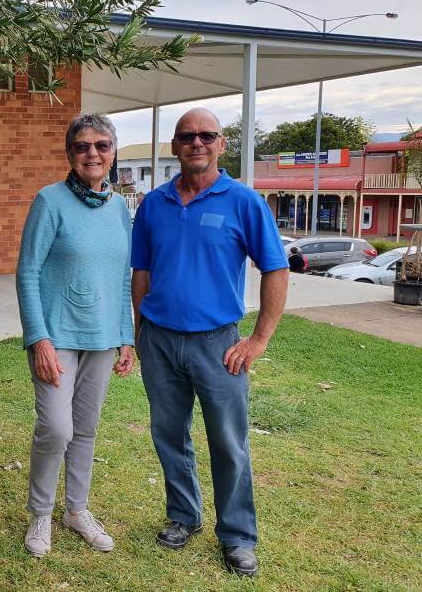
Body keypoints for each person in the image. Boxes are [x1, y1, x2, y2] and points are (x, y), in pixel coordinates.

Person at [131, 108, 288, 577]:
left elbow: (275, 269)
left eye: (207, 135)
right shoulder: (153, 205)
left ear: (221, 144)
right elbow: (141, 273)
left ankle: (238, 536)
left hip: (218, 345)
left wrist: (259, 339)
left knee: (228, 441)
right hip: (159, 341)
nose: (196, 142)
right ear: (175, 146)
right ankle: (183, 516)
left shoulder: (243, 202)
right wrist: (139, 331)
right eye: (187, 136)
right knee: (168, 434)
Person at [16, 113, 135, 558]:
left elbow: (122, 276)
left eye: (102, 145)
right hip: (57, 336)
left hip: (103, 338)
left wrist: (127, 337)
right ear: (70, 153)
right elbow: (27, 272)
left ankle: (76, 510)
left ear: (113, 153)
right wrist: (39, 339)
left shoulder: (121, 208)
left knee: (85, 429)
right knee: (56, 427)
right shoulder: (49, 201)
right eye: (83, 146)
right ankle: (41, 512)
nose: (93, 153)